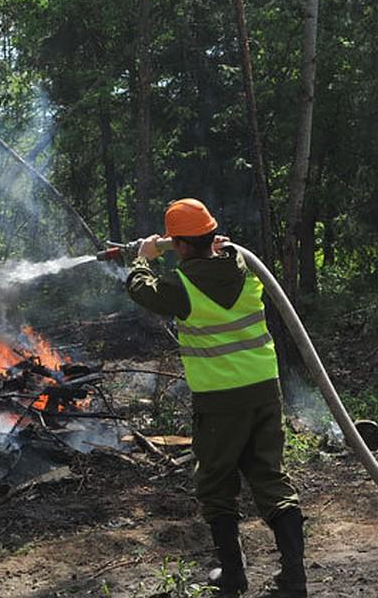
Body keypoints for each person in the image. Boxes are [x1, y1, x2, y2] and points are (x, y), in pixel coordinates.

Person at [125, 198, 307, 598]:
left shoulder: (182, 287)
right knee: (270, 478)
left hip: (220, 400)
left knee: (216, 483)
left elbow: (141, 289)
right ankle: (294, 579)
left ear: (183, 246)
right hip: (264, 390)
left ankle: (233, 577)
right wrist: (200, 247)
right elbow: (219, 262)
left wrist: (142, 257)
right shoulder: (245, 269)